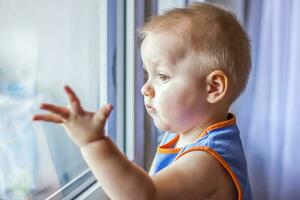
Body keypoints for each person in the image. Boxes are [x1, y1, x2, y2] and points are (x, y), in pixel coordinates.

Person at [32, 2, 252, 200]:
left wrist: (94, 143)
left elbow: (146, 195)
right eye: (148, 75)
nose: (145, 88)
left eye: (163, 76)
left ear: (213, 87)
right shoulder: (188, 133)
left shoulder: (207, 161)